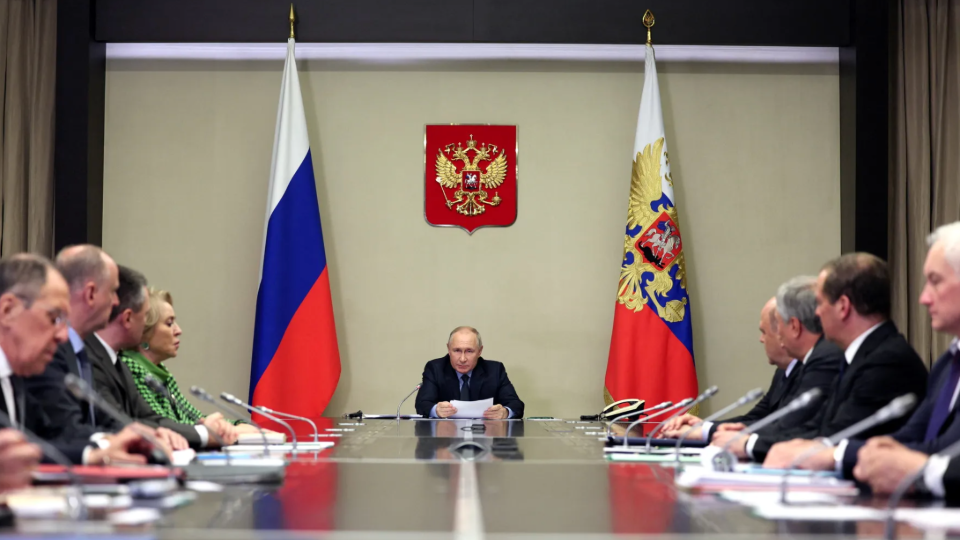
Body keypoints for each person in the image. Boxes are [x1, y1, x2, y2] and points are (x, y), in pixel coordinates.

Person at [758, 253, 928, 466]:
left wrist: (752, 444)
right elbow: (818, 424)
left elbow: (836, 436)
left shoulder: (886, 361)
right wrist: (751, 441)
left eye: (820, 303)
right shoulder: (859, 354)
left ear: (843, 306)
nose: (817, 313)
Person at [0, 254, 164, 465]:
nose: (62, 335)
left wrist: (98, 451)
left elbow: (44, 440)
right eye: (54, 318)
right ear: (8, 310)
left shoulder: (17, 376)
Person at [839, 221, 960, 489]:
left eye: (935, 281)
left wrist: (918, 470)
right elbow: (912, 436)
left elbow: (947, 448)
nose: (923, 298)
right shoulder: (946, 365)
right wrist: (873, 452)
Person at [88, 266, 228, 449]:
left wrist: (211, 430)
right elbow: (119, 423)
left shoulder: (117, 363)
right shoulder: (102, 360)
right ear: (128, 318)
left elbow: (149, 418)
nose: (178, 331)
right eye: (145, 315)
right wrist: (204, 433)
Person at [709, 277, 843, 456]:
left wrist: (746, 442)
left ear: (794, 326)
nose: (776, 334)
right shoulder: (802, 364)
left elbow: (797, 427)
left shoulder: (825, 358)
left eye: (779, 326)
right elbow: (769, 419)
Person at [121, 288, 255, 442]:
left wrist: (237, 425)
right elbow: (168, 428)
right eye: (169, 323)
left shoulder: (161, 374)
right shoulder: (131, 370)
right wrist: (230, 430)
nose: (178, 330)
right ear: (144, 332)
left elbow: (194, 418)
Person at [24, 245, 120, 435]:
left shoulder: (83, 351)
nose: (116, 301)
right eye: (113, 291)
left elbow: (104, 419)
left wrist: (147, 437)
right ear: (90, 293)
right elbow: (64, 429)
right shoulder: (50, 350)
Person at [414, 327, 524, 419]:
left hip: (485, 437)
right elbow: (422, 404)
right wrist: (436, 410)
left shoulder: (494, 370)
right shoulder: (435, 369)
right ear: (448, 349)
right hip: (445, 439)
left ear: (480, 351)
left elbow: (516, 405)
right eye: (457, 350)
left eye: (469, 351)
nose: (462, 359)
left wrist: (506, 412)